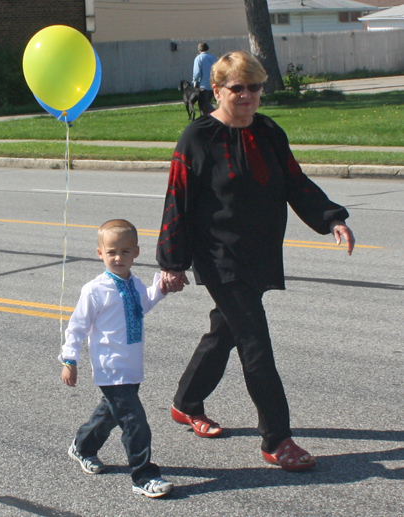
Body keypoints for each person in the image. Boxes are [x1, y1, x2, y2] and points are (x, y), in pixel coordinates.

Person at [157, 51, 355, 472]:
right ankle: (277, 440)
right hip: (218, 256)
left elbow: (295, 182)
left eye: (255, 87)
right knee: (255, 345)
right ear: (217, 91)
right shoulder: (197, 138)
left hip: (259, 252)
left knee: (224, 331)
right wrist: (172, 262)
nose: (247, 95)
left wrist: (331, 218)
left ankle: (185, 402)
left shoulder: (267, 130)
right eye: (237, 88)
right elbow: (177, 200)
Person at [60, 219, 174, 498]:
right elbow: (77, 326)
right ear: (100, 253)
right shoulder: (94, 290)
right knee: (135, 421)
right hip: (111, 367)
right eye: (111, 252)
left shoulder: (134, 282)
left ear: (136, 252)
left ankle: (82, 446)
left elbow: (142, 305)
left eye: (125, 251)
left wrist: (161, 287)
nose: (118, 257)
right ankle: (143, 476)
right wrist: (69, 359)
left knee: (110, 413)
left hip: (131, 365)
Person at [192, 42, 218, 106]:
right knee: (209, 104)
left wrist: (195, 82)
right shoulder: (214, 58)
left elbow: (197, 73)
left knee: (203, 105)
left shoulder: (198, 58)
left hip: (203, 86)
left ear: (199, 50)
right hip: (213, 85)